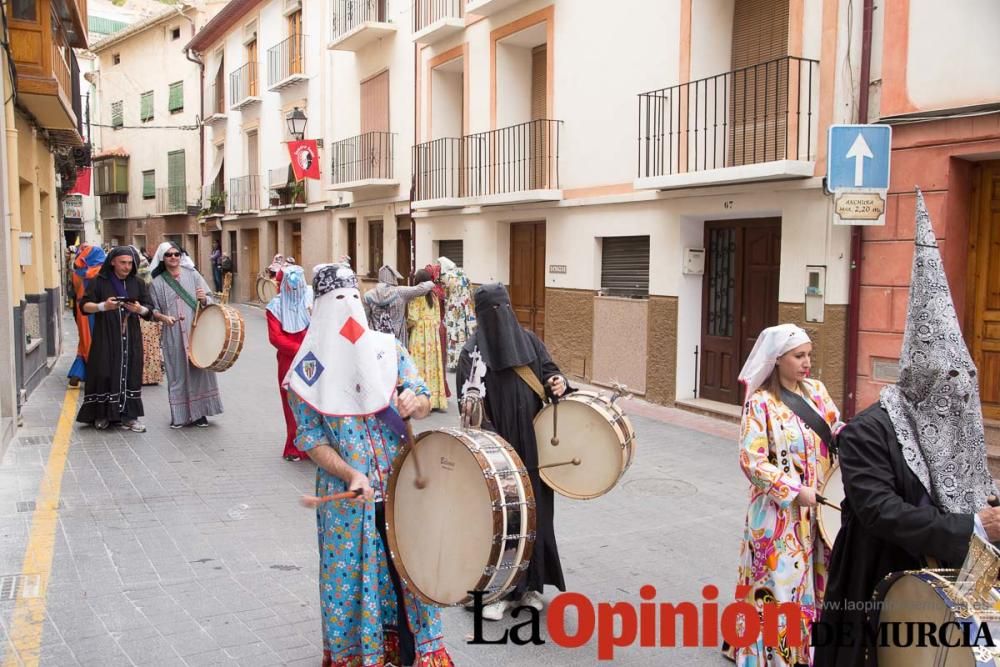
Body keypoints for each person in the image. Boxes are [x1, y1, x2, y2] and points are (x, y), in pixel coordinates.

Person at [814, 190, 1000, 667]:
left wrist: (990, 507)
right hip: (877, 584)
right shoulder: (866, 433)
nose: (957, 398)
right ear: (921, 382)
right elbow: (882, 512)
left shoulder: (956, 422)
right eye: (948, 385)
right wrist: (972, 525)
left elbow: (971, 482)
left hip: (952, 589)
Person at [285, 264, 454, 667]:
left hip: (401, 493)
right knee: (354, 584)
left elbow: (423, 394)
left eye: (353, 298)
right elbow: (310, 437)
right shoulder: (307, 371)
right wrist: (349, 473)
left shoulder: (387, 349)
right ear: (320, 308)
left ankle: (418, 655)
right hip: (349, 501)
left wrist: (417, 402)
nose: (348, 309)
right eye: (336, 301)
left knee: (409, 579)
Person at [729, 323, 844, 666]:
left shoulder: (818, 392)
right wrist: (793, 490)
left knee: (817, 581)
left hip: (819, 510)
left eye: (809, 355)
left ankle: (808, 652)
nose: (807, 362)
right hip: (778, 515)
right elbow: (751, 459)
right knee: (779, 585)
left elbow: (835, 429)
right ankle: (775, 656)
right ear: (778, 359)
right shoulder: (760, 404)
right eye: (799, 356)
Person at [456, 283, 570, 620]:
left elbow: (551, 373)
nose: (499, 318)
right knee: (503, 523)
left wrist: (557, 382)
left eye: (503, 309)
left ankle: (532, 588)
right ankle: (499, 592)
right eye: (492, 312)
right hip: (496, 455)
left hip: (534, 449)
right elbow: (466, 406)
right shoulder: (472, 354)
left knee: (537, 518)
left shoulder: (530, 342)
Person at [75, 246, 164, 432]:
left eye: (130, 263)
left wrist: (139, 309)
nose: (127, 267)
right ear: (113, 262)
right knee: (104, 371)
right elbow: (84, 306)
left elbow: (149, 310)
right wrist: (103, 306)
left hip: (130, 336)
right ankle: (102, 415)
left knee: (130, 372)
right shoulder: (99, 282)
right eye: (123, 263)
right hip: (105, 335)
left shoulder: (138, 283)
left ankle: (129, 417)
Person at [148, 241, 224, 428]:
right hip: (172, 334)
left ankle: (201, 414)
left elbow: (209, 299)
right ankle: (180, 416)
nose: (173, 257)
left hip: (195, 330)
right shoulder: (157, 282)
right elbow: (153, 310)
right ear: (162, 258)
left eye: (176, 254)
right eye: (169, 255)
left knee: (200, 370)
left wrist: (203, 298)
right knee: (177, 372)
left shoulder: (193, 274)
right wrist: (163, 318)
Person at [266, 264, 310, 461]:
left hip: (311, 360)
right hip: (288, 360)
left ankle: (313, 446)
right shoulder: (275, 307)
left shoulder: (309, 302)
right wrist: (298, 349)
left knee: (311, 401)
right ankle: (294, 446)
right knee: (291, 402)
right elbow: (275, 337)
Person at [406, 268, 448, 411]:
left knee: (419, 364)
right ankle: (435, 400)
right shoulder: (434, 296)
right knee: (433, 365)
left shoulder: (416, 297)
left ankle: (422, 399)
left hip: (419, 332)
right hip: (432, 334)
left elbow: (412, 318)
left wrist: (407, 326)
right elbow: (438, 317)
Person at [362, 264, 433, 347]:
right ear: (393, 278)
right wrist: (432, 282)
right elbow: (423, 288)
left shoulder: (367, 295)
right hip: (398, 338)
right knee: (398, 359)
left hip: (377, 338)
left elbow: (364, 319)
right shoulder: (401, 292)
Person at [67, 244, 107, 387]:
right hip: (95, 308)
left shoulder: (76, 273)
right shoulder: (99, 272)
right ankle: (94, 373)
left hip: (80, 309)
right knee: (96, 340)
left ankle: (78, 373)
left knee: (84, 340)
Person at [439, 256, 476, 370]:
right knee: (465, 334)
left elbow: (445, 294)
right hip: (465, 308)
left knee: (453, 335)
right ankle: (467, 360)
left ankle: (454, 362)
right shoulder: (463, 274)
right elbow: (471, 290)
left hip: (453, 309)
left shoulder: (447, 277)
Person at [135, 251, 164, 386]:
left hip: (141, 313)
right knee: (151, 347)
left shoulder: (135, 280)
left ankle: (141, 376)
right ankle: (151, 376)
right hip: (148, 313)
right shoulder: (151, 276)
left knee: (143, 346)